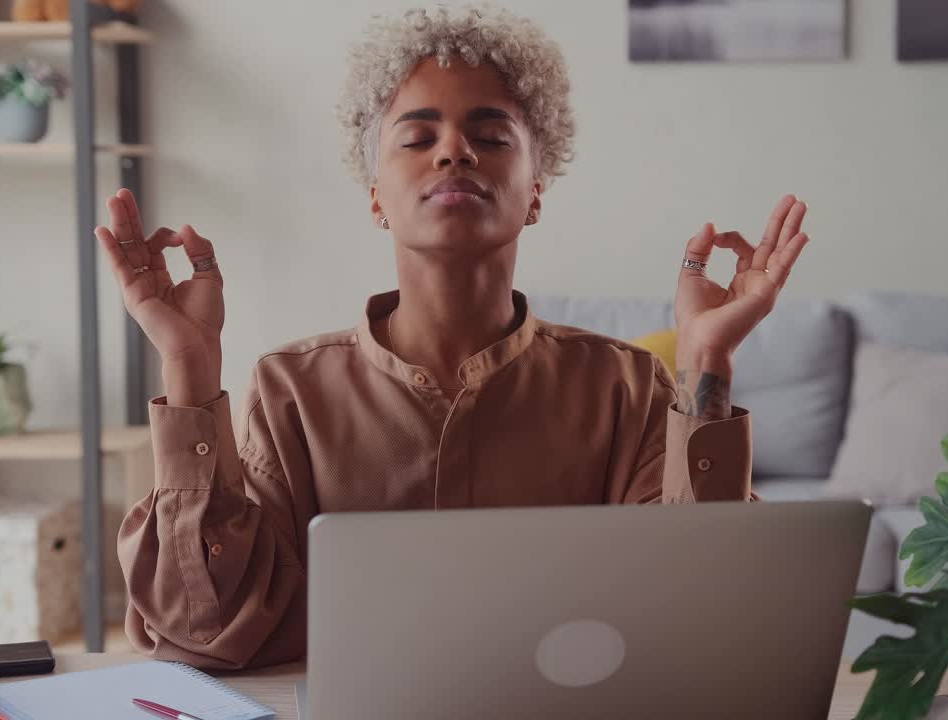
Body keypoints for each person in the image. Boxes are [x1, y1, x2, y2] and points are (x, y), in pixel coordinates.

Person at [101, 5, 810, 670]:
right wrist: (189, 367)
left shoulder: (624, 388)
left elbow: (703, 617)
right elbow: (204, 629)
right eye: (416, 137)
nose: (454, 153)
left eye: (491, 136)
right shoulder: (291, 391)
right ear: (375, 194)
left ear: (536, 189)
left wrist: (706, 356)